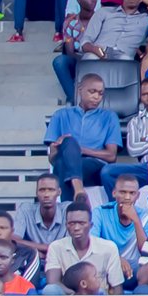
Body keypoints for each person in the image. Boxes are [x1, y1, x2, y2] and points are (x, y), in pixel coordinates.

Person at [44, 71, 122, 202]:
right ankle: (78, 191)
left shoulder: (109, 117)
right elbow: (52, 159)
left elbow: (111, 156)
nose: (96, 97)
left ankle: (68, 208)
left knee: (65, 162)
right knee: (67, 146)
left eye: (100, 93)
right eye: (92, 91)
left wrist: (81, 150)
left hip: (94, 167)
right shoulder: (60, 115)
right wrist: (58, 148)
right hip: (63, 164)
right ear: (80, 90)